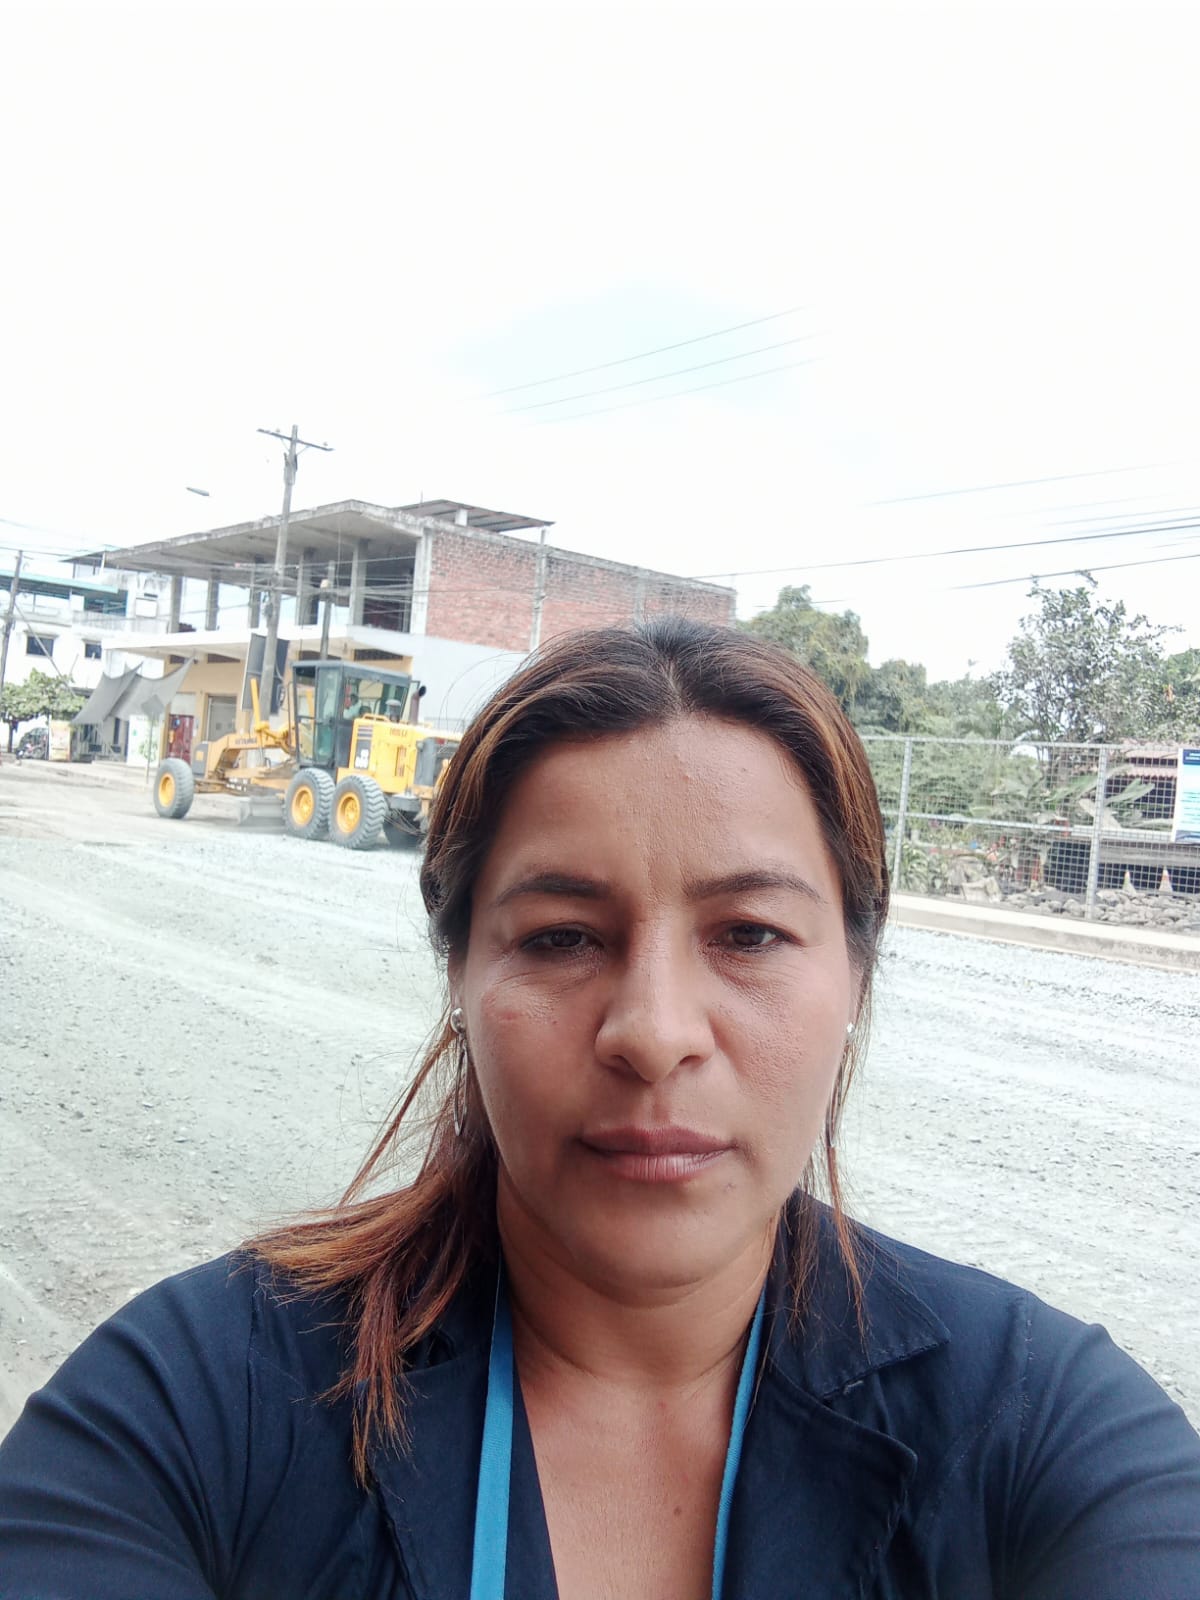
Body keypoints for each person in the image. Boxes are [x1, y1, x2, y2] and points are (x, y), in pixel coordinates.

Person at [1, 617, 1197, 1598]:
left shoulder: (1045, 1428)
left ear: (857, 977)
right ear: (460, 974)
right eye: (563, 936)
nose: (655, 1032)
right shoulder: (194, 1409)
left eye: (749, 934)